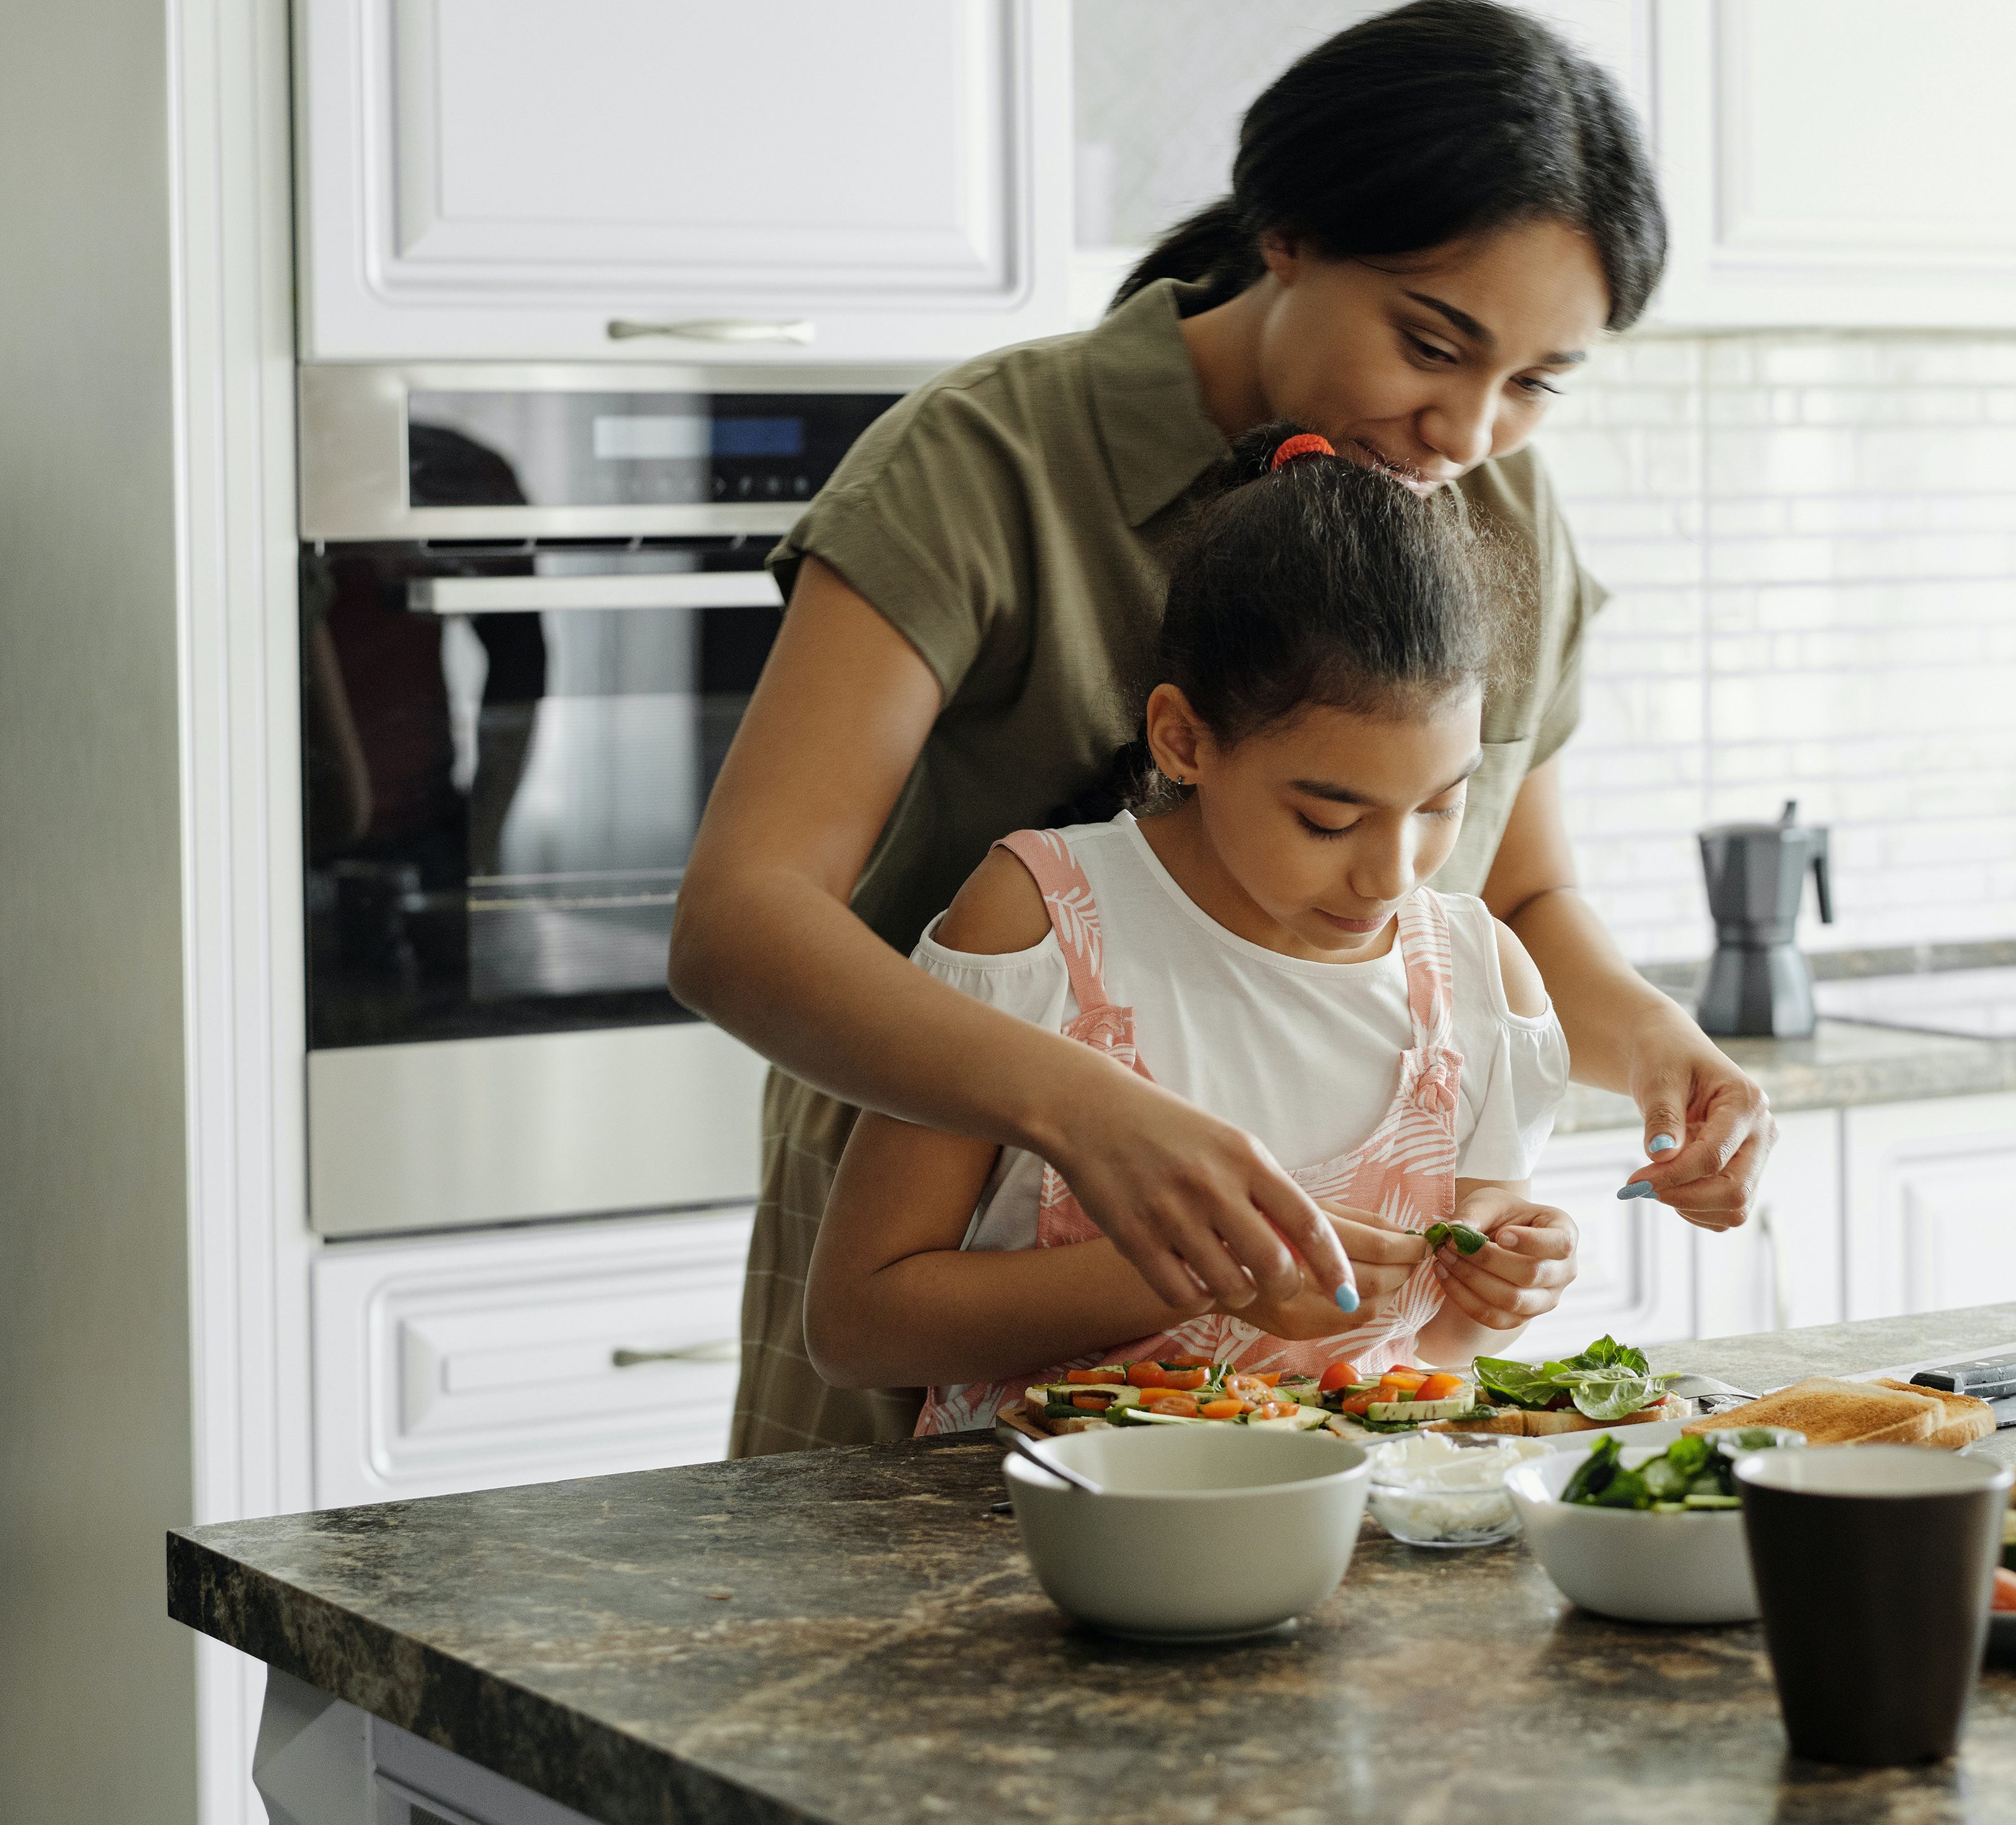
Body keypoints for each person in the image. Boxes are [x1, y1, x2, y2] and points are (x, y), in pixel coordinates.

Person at [672, 0, 1781, 1453]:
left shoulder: (1496, 507)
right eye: (1432, 342)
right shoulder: (988, 460)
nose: (1469, 428)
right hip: (953, 1252)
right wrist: (1091, 1114)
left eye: (1533, 384)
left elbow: (1511, 894)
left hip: (1307, 1394)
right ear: (1291, 237)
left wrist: (1655, 1048)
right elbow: (741, 921)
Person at [805, 425, 1575, 1431]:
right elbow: (857, 1328)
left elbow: (1434, 1352)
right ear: (1183, 739)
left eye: (1441, 804)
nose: (1393, 873)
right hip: (1036, 1542)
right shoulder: (1041, 924)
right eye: (1328, 818)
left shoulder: (1480, 982)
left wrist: (1501, 1292)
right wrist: (1196, 1275)